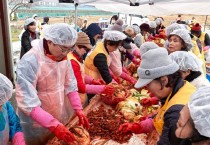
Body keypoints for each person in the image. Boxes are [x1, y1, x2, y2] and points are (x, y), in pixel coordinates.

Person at [15, 23, 89, 145]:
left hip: (58, 115)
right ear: (49, 42)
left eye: (70, 49)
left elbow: (70, 86)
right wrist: (53, 125)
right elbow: (28, 103)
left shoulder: (64, 59)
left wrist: (78, 109)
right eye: (63, 49)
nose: (66, 53)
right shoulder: (30, 61)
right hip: (36, 122)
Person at [119, 48, 196, 145]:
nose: (148, 89)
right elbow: (162, 116)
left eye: (148, 84)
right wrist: (139, 127)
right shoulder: (182, 87)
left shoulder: (177, 113)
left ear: (164, 80)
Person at [67, 32, 115, 105]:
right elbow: (80, 87)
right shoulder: (72, 61)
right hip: (74, 100)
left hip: (80, 98)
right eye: (84, 48)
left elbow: (80, 74)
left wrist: (92, 81)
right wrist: (102, 89)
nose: (85, 51)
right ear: (76, 46)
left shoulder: (76, 57)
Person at [0, 73, 26, 145]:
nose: (1, 108)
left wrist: (18, 139)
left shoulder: (5, 105)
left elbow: (14, 125)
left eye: (1, 104)